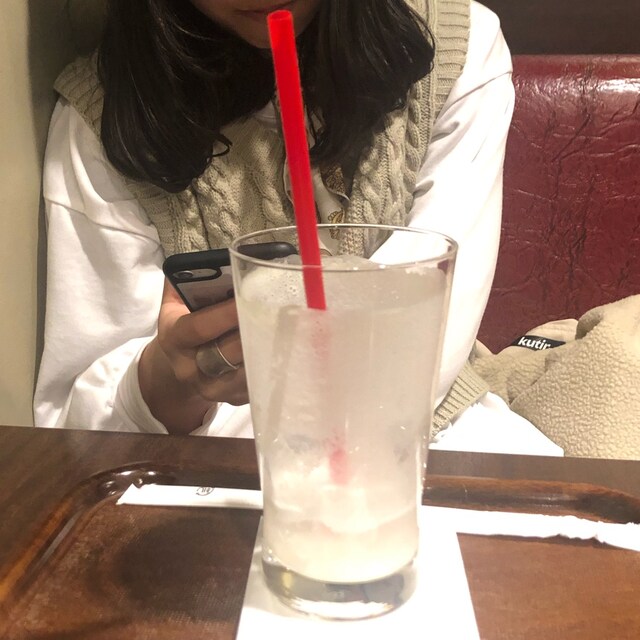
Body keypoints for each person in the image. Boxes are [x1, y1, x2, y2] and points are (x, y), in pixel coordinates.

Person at [35, 0, 561, 455]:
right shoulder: (104, 113)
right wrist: (167, 383)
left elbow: (421, 352)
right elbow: (77, 427)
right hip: (202, 471)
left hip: (425, 439)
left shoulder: (452, 48)